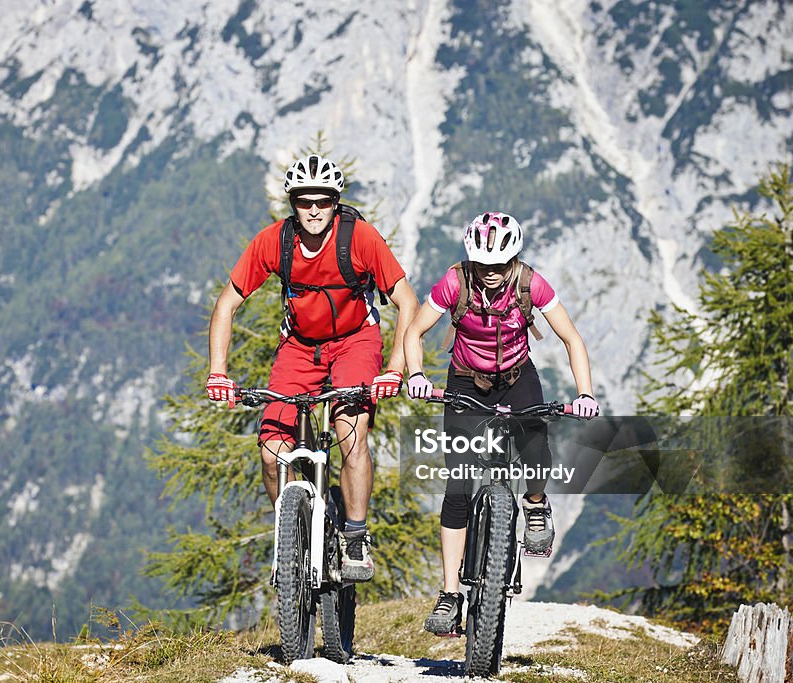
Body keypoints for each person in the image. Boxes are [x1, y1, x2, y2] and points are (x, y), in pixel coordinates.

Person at [206, 154, 419, 581]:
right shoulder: (274, 242)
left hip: (356, 342)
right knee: (271, 454)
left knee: (350, 433)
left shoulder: (358, 238)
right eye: (305, 202)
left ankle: (356, 537)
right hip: (299, 347)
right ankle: (293, 532)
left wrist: (395, 368)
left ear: (336, 202)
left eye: (324, 200)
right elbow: (227, 304)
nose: (315, 209)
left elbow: (407, 301)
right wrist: (217, 371)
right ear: (293, 204)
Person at [403, 211, 599, 633]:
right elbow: (413, 332)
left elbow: (572, 339)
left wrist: (584, 393)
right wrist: (416, 375)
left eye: (499, 265)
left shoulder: (531, 285)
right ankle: (450, 595)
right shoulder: (454, 282)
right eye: (482, 265)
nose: (490, 273)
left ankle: (533, 503)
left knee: (535, 444)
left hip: (516, 377)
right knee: (457, 488)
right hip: (465, 382)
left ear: (513, 260)